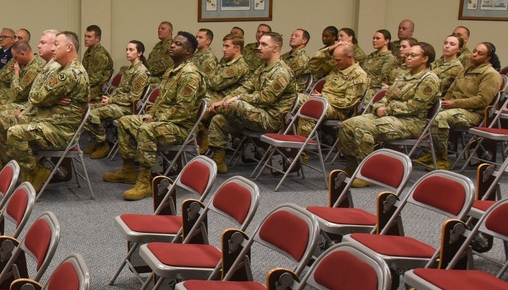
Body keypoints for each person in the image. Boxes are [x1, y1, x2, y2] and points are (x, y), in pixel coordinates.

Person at [106, 32, 204, 200]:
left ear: (189, 51)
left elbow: (183, 110)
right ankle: (129, 170)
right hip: (164, 120)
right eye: (173, 42)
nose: (172, 46)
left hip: (180, 127)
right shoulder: (172, 71)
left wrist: (155, 119)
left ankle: (144, 182)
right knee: (125, 121)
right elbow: (160, 101)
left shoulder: (190, 75)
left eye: (178, 44)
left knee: (146, 129)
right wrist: (151, 114)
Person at [338, 42, 440, 186]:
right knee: (346, 125)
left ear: (425, 59)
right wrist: (379, 106)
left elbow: (414, 106)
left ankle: (368, 175)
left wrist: (387, 109)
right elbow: (387, 96)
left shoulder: (429, 79)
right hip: (389, 115)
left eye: (413, 55)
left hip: (410, 122)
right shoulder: (404, 75)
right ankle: (354, 167)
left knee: (363, 129)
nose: (408, 58)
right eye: (408, 54)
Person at [3, 31, 90, 191]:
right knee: (8, 120)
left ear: (69, 47)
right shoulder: (62, 70)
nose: (53, 48)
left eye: (57, 44)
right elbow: (38, 96)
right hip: (49, 121)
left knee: (15, 133)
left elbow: (36, 97)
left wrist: (48, 98)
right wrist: (52, 98)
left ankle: (36, 172)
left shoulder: (69, 74)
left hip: (61, 130)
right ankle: (19, 173)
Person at [207, 31, 296, 174]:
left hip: (271, 118)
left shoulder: (282, 72)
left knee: (236, 104)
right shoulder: (262, 69)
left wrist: (236, 99)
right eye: (259, 43)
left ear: (276, 48)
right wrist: (224, 100)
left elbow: (266, 98)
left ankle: (205, 115)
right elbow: (246, 87)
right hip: (255, 114)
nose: (259, 47)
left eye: (264, 44)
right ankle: (219, 162)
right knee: (219, 119)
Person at [0, 31, 57, 177]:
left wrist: (16, 74)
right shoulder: (46, 66)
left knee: (1, 116)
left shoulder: (39, 67)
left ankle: (6, 159)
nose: (38, 46)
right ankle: (3, 155)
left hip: (35, 110)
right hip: (31, 106)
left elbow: (20, 94)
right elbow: (2, 76)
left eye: (43, 42)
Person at [416, 41, 502, 171]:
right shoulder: (467, 69)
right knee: (424, 110)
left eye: (480, 53)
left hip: (473, 113)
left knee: (439, 118)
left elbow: (482, 100)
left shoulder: (491, 74)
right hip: (454, 108)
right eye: (474, 51)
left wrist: (453, 103)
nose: (474, 55)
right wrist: (443, 102)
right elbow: (451, 90)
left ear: (487, 58)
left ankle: (442, 160)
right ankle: (430, 153)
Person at [85, 40, 149, 159]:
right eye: (126, 50)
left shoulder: (141, 72)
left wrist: (111, 101)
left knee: (92, 114)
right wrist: (109, 97)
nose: (127, 52)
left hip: (127, 108)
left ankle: (103, 144)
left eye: (131, 50)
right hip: (118, 103)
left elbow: (133, 97)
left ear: (139, 53)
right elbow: (120, 90)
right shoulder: (129, 69)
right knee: (86, 109)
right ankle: (98, 141)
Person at [296, 43, 368, 137]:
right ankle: (287, 141)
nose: (335, 63)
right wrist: (330, 49)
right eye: (334, 59)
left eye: (338, 60)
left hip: (338, 110)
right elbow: (313, 63)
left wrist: (324, 98)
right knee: (291, 99)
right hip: (322, 101)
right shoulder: (336, 66)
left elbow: (349, 102)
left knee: (311, 108)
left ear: (349, 57)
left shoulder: (359, 75)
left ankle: (303, 148)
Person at [82, 24, 114, 100]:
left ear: (97, 38)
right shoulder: (89, 51)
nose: (85, 39)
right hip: (90, 85)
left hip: (98, 89)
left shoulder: (99, 55)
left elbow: (94, 79)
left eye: (89, 37)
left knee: (74, 96)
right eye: (85, 36)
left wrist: (79, 86)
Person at [364, 29, 398, 93]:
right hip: (364, 86)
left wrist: (364, 81)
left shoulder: (389, 58)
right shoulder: (371, 56)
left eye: (377, 38)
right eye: (373, 38)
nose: (374, 40)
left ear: (386, 41)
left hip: (376, 90)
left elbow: (383, 79)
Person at [145, 21, 174, 86]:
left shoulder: (172, 46)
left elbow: (164, 65)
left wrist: (147, 72)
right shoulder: (158, 45)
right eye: (159, 29)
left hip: (162, 77)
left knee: (141, 79)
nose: (159, 30)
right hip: (152, 73)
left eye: (163, 29)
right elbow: (149, 60)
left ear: (170, 32)